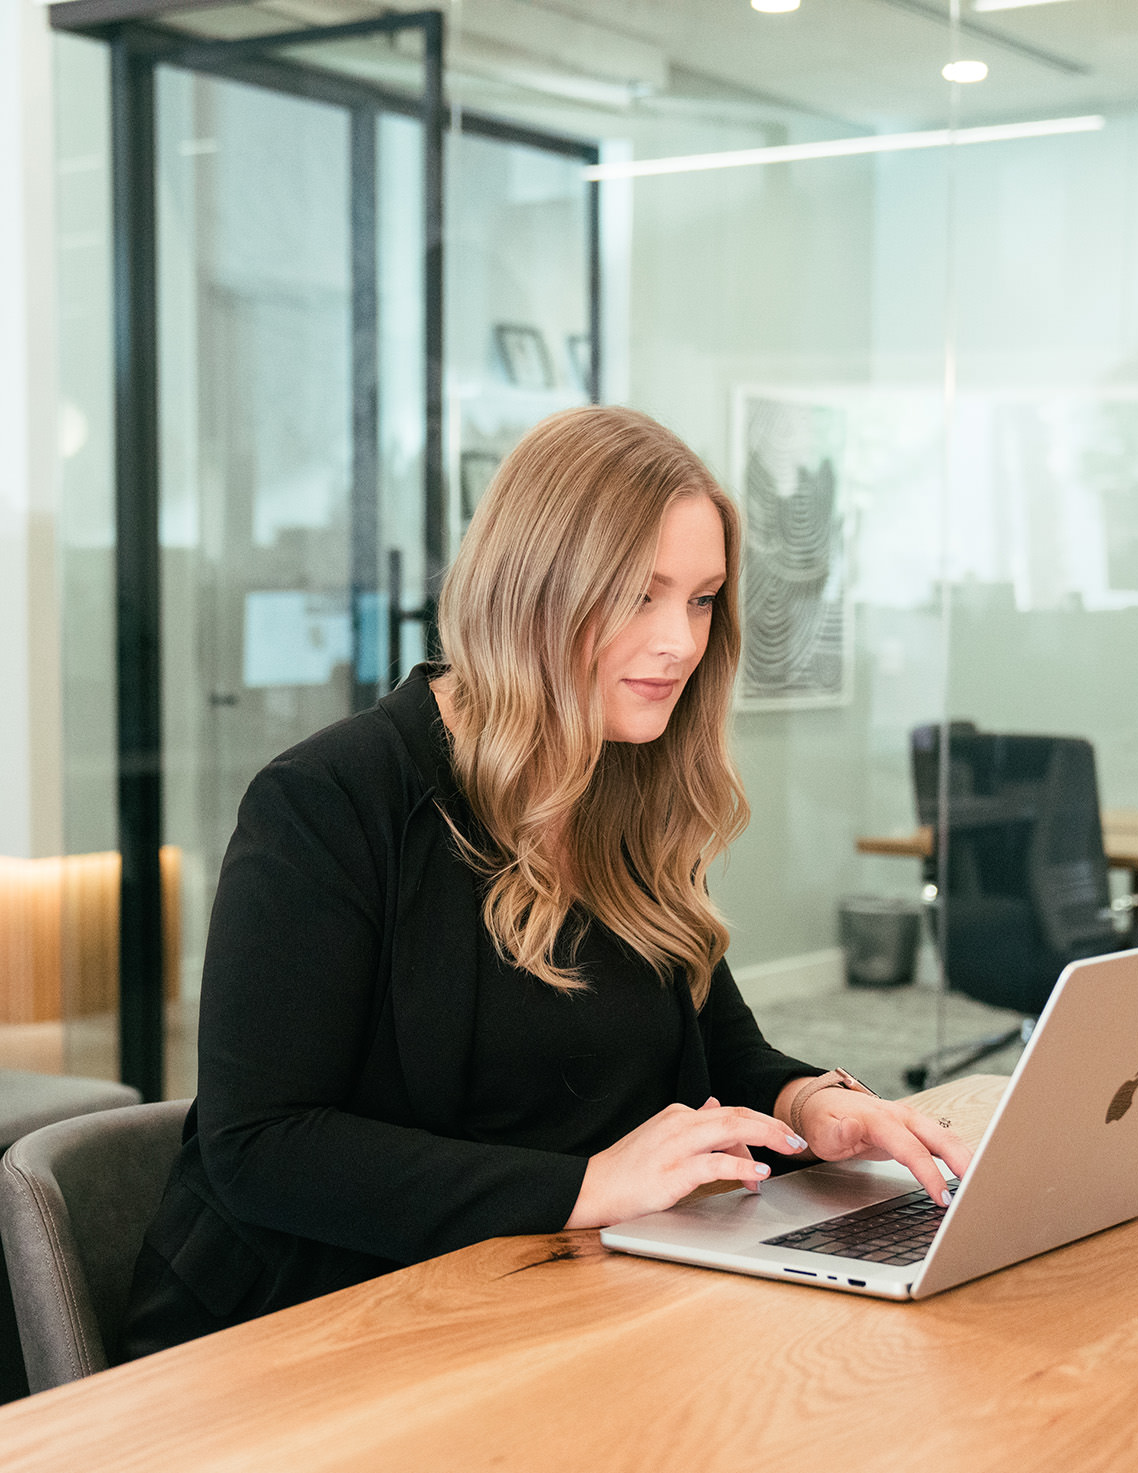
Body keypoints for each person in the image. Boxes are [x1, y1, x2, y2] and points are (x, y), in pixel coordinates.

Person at [123, 405, 971, 1358]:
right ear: (533, 592)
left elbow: (716, 1048)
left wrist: (812, 1103)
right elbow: (263, 1146)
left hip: (549, 1294)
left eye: (700, 599)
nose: (682, 642)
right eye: (641, 597)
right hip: (310, 1330)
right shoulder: (329, 800)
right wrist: (585, 1187)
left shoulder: (624, 779)